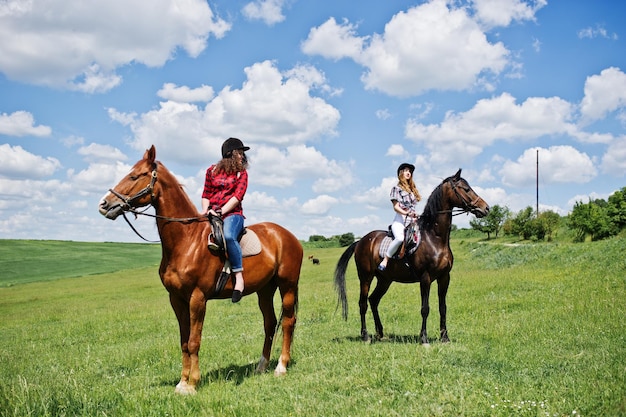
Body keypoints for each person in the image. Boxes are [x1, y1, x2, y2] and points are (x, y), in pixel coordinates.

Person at [202, 137, 250, 303]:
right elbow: (206, 194)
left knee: (229, 236)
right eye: (240, 153)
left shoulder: (241, 173)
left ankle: (238, 277)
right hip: (211, 213)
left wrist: (221, 211)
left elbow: (238, 196)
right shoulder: (211, 171)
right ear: (231, 154)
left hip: (233, 214)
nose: (243, 156)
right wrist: (205, 210)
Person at [378, 163, 421, 271]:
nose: (408, 173)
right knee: (400, 238)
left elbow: (412, 207)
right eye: (406, 170)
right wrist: (406, 213)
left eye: (410, 171)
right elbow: (396, 207)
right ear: (401, 173)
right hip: (400, 220)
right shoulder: (396, 188)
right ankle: (386, 260)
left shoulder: (412, 190)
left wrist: (414, 214)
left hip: (412, 220)